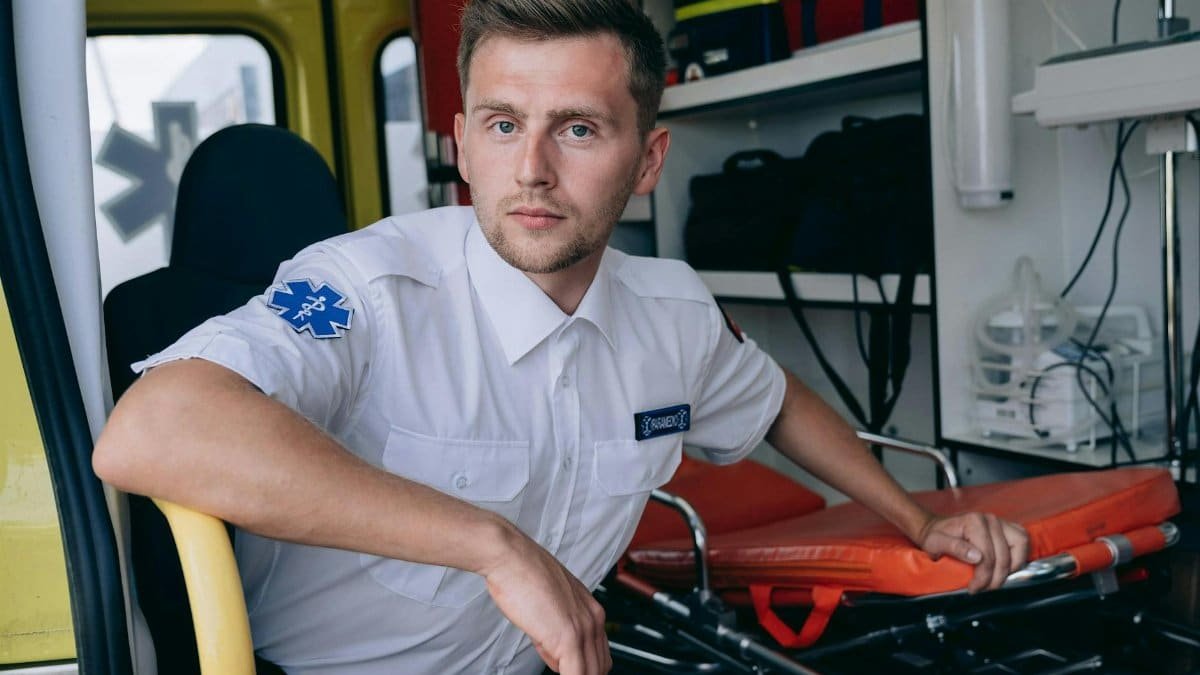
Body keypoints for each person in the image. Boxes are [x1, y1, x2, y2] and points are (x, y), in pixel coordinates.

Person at [93, 1, 1029, 673]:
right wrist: (495, 545)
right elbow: (153, 431)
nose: (531, 170)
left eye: (578, 129)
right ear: (463, 144)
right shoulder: (367, 287)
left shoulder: (672, 311)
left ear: (649, 158)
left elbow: (775, 398)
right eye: (504, 125)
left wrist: (918, 516)